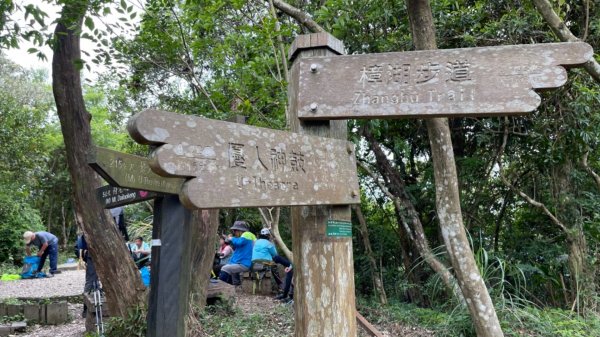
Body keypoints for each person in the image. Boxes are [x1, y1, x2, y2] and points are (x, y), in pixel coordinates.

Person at [218, 221, 254, 286]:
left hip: (244, 263)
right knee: (226, 267)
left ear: (240, 230)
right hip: (241, 262)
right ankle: (231, 286)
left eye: (235, 230)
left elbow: (239, 242)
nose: (234, 232)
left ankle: (220, 287)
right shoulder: (244, 237)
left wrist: (231, 238)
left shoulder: (247, 234)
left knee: (225, 268)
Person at [76, 234, 99, 318]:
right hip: (92, 254)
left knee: (91, 281)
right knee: (91, 281)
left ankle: (87, 308)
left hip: (93, 254)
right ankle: (86, 308)